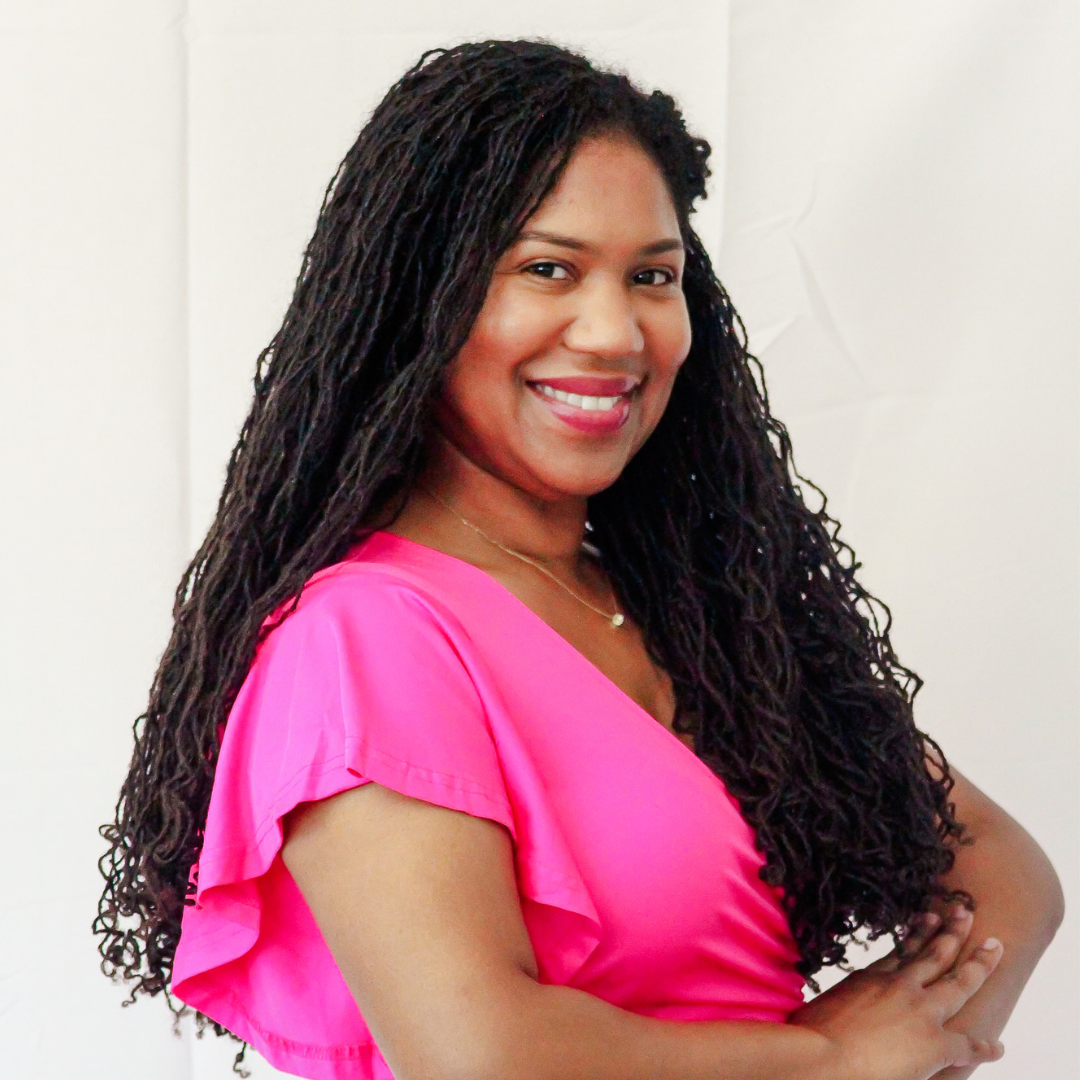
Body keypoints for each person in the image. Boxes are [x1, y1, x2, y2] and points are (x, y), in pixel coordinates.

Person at [95, 40, 1062, 1080]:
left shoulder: (689, 616)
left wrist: (897, 1043)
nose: (613, 332)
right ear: (424, 300)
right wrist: (826, 1059)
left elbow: (1008, 880)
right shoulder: (368, 636)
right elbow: (483, 1057)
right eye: (546, 268)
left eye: (653, 276)